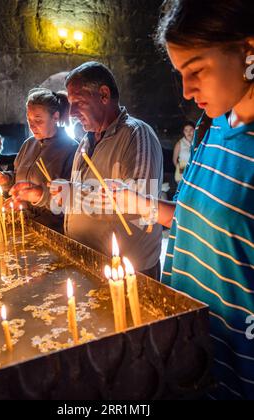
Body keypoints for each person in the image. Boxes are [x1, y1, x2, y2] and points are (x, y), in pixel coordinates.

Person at [108, 0, 254, 400]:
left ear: (249, 51)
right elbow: (202, 219)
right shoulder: (214, 126)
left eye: (197, 71)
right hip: (196, 357)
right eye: (180, 75)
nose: (188, 92)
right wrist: (142, 205)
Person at [51, 61, 163, 278]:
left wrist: (74, 195)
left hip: (129, 272)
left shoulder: (136, 134)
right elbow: (73, 195)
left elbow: (138, 203)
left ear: (104, 94)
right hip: (88, 262)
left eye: (78, 102)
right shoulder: (86, 141)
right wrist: (49, 194)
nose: (71, 112)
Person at [0, 89, 78, 232]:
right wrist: (6, 178)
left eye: (38, 120)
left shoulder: (71, 149)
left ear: (55, 117)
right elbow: (18, 176)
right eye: (29, 120)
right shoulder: (28, 144)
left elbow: (72, 199)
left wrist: (31, 200)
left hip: (51, 231)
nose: (32, 126)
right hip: (22, 225)